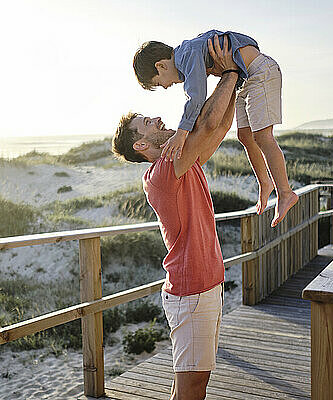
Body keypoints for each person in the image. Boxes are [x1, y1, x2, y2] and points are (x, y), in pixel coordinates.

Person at [113, 36, 236, 400]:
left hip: (207, 285)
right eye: (146, 122)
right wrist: (228, 72)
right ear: (140, 145)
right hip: (192, 291)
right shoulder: (164, 172)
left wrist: (235, 82)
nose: (157, 118)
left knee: (193, 383)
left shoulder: (181, 160)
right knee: (192, 387)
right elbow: (207, 126)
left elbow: (218, 128)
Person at [133, 29, 298, 227]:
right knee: (245, 136)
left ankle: (285, 192)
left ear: (161, 65)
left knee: (263, 137)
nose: (166, 87)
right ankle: (265, 182)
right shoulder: (190, 51)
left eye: (160, 83)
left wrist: (181, 133)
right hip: (245, 79)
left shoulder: (187, 55)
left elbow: (196, 97)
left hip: (260, 72)